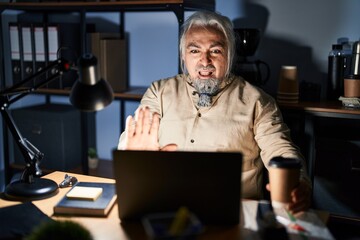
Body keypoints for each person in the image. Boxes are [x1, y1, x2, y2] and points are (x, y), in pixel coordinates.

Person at [118, 11, 311, 213]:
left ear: (229, 55)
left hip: (232, 213)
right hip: (167, 207)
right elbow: (132, 139)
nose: (205, 61)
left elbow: (280, 149)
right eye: (195, 51)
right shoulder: (159, 92)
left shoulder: (258, 102)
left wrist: (299, 182)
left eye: (215, 51)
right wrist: (133, 155)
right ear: (183, 56)